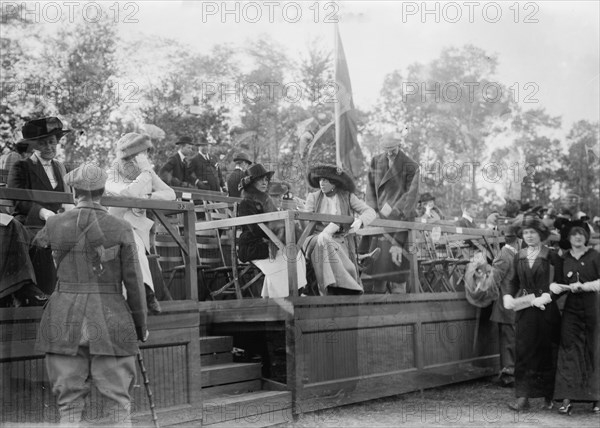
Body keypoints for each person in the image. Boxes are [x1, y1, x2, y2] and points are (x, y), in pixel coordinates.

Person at [33, 164, 148, 426]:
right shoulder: (121, 227)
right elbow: (134, 282)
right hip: (112, 320)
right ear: (102, 192)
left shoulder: (53, 223)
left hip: (62, 320)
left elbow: (38, 258)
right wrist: (140, 325)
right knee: (119, 405)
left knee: (69, 407)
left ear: (74, 193)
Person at [105, 133, 176, 314]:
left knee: (137, 246)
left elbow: (170, 194)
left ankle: (144, 297)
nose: (145, 158)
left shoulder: (145, 172)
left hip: (139, 232)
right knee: (133, 245)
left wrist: (148, 196)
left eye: (145, 154)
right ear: (130, 155)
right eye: (142, 154)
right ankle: (147, 294)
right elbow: (127, 193)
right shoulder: (113, 173)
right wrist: (146, 173)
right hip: (116, 230)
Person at [7, 117, 73, 295]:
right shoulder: (22, 167)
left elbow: (67, 200)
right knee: (45, 242)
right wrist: (44, 213)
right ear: (33, 146)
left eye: (52, 142)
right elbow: (18, 200)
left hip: (58, 221)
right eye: (43, 143)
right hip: (30, 223)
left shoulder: (60, 168)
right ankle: (45, 294)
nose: (50, 147)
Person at [503, 217, 562, 411]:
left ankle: (549, 395)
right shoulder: (518, 255)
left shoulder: (551, 255)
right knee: (524, 352)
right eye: (526, 232)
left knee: (546, 351)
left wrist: (548, 296)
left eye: (532, 232)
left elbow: (560, 283)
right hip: (525, 309)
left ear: (541, 235)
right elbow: (512, 281)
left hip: (546, 310)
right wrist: (508, 296)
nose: (528, 236)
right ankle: (523, 397)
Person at [301, 164, 376, 295]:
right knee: (324, 240)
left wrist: (361, 220)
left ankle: (333, 285)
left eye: (325, 180)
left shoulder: (347, 196)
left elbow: (370, 211)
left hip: (340, 239)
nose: (321, 183)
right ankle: (350, 280)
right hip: (313, 238)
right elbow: (305, 221)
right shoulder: (313, 197)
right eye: (320, 180)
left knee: (329, 244)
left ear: (334, 183)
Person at [549, 220, 600, 415]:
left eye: (581, 233)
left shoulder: (595, 256)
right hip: (571, 309)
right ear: (568, 238)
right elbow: (560, 284)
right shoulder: (565, 258)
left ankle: (595, 398)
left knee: (592, 349)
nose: (577, 237)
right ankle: (567, 398)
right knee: (568, 348)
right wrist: (552, 290)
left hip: (592, 307)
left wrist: (586, 286)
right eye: (573, 234)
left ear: (586, 237)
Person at [360, 132, 420, 293]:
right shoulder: (375, 161)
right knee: (377, 275)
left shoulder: (411, 166)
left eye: (392, 149)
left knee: (397, 277)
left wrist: (391, 211)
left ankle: (399, 315)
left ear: (400, 145)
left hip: (400, 223)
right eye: (386, 148)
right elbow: (370, 190)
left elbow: (410, 196)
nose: (389, 152)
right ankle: (377, 313)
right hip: (378, 221)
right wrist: (372, 212)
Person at [237, 163, 307, 298]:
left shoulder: (267, 201)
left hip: (270, 243)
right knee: (287, 258)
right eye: (260, 179)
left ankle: (289, 295)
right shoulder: (246, 203)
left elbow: (278, 223)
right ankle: (278, 299)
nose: (265, 182)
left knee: (297, 254)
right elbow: (257, 230)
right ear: (252, 183)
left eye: (266, 179)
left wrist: (284, 231)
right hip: (253, 247)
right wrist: (279, 232)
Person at [472, 224, 519, 387]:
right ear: (517, 239)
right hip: (507, 306)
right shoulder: (505, 256)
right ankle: (509, 375)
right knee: (508, 341)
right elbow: (494, 282)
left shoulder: (509, 255)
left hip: (512, 305)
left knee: (510, 340)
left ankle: (510, 373)